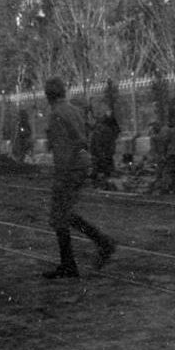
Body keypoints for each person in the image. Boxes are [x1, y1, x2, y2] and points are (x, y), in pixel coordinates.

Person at [41, 77, 116, 279]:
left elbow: (69, 144)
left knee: (59, 216)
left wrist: (61, 173)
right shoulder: (74, 110)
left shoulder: (56, 114)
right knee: (63, 214)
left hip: (68, 168)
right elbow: (82, 137)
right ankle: (82, 255)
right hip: (81, 165)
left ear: (48, 95)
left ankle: (94, 249)